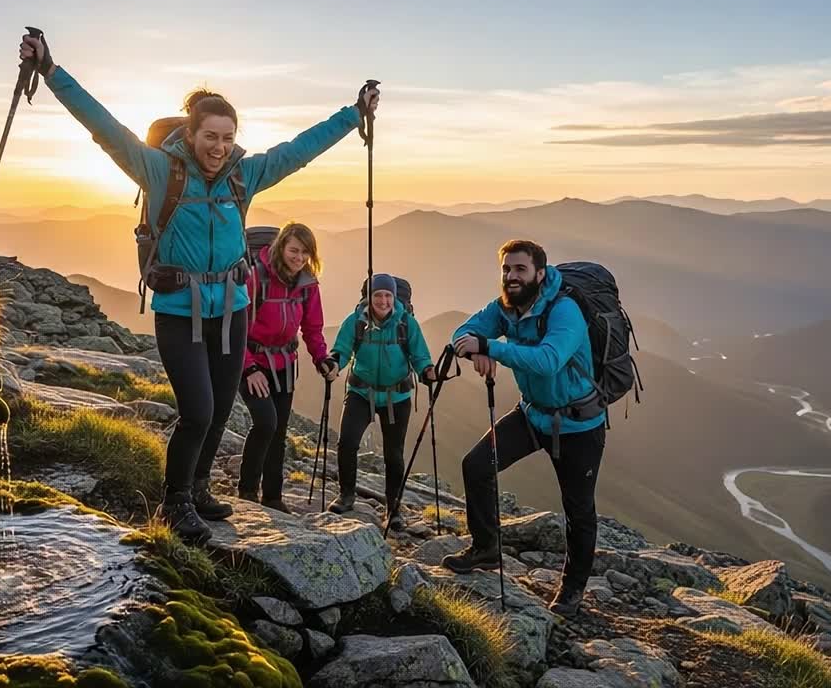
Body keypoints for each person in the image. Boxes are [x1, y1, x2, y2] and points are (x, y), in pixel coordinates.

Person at [18, 33, 379, 544]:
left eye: (228, 138)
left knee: (221, 407)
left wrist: (352, 113)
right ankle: (176, 501)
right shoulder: (159, 171)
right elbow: (104, 127)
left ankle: (202, 486)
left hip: (232, 309)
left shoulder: (242, 177)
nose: (220, 147)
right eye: (211, 136)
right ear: (190, 134)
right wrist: (52, 71)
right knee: (199, 410)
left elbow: (299, 150)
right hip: (178, 308)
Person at [444, 240, 607, 616]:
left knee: (578, 508)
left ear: (540, 273)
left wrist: (492, 348)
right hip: (533, 415)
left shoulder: (565, 311)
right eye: (506, 269)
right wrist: (475, 349)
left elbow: (549, 360)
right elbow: (462, 332)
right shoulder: (506, 308)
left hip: (578, 423)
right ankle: (486, 548)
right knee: (476, 465)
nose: (511, 277)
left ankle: (573, 587)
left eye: (519, 269)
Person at [234, 222, 335, 513]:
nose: (299, 257)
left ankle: (273, 496)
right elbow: (236, 325)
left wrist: (321, 358)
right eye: (294, 250)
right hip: (252, 361)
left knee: (278, 430)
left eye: (305, 252)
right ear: (281, 247)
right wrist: (249, 368)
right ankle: (248, 490)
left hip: (286, 364)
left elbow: (312, 328)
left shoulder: (307, 284)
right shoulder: (256, 277)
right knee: (266, 423)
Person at [325, 274, 435, 531]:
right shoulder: (356, 322)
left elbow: (420, 355)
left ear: (395, 297)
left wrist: (428, 371)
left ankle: (393, 509)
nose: (383, 301)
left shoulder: (407, 323)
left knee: (393, 454)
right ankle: (346, 495)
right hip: (360, 393)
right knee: (347, 442)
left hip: (397, 397)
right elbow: (341, 351)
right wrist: (333, 365)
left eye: (388, 295)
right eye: (378, 295)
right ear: (368, 298)